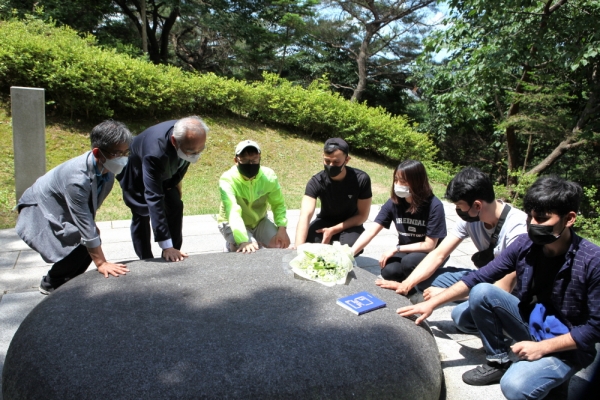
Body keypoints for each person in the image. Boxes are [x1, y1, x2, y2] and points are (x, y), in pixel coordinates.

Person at [398, 176, 600, 399]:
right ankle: (498, 361)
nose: (533, 224)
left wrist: (544, 348)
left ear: (569, 218)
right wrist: (433, 303)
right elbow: (481, 276)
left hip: (568, 344)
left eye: (542, 219)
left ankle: (554, 375)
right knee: (482, 291)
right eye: (530, 216)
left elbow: (595, 328)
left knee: (515, 386)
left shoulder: (592, 262)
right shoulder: (526, 245)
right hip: (532, 322)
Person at [378, 167, 527, 328]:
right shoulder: (470, 218)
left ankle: (507, 329)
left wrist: (441, 296)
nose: (458, 211)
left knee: (461, 318)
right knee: (423, 279)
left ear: (477, 205)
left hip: (512, 290)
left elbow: (501, 288)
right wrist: (406, 284)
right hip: (485, 276)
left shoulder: (517, 230)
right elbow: (439, 254)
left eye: (459, 206)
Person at [16, 120, 133, 294]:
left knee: (89, 237)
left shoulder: (105, 167)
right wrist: (101, 263)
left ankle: (68, 283)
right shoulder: (77, 179)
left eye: (126, 152)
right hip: (40, 206)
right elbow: (84, 221)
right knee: (84, 238)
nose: (123, 158)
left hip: (62, 203)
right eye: (117, 153)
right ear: (97, 152)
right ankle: (51, 283)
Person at [118, 116, 208, 262]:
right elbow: (154, 196)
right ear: (174, 141)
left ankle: (174, 251)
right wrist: (165, 245)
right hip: (136, 172)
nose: (196, 155)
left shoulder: (190, 136)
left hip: (165, 170)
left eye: (201, 150)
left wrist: (175, 184)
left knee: (175, 205)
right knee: (142, 212)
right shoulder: (155, 152)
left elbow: (183, 161)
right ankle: (146, 258)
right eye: (191, 151)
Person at [351, 160, 446, 292]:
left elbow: (430, 245)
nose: (398, 185)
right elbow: (372, 230)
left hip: (432, 253)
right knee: (389, 272)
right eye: (396, 180)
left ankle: (429, 280)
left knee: (408, 263)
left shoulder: (434, 206)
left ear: (417, 182)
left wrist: (396, 248)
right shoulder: (394, 202)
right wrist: (350, 254)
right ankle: (413, 277)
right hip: (408, 250)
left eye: (404, 181)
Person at [295, 138, 372, 248]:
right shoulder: (316, 181)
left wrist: (333, 230)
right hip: (325, 220)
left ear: (346, 160)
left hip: (351, 222)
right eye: (327, 161)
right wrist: (297, 249)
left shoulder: (361, 179)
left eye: (336, 162)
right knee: (309, 240)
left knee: (353, 244)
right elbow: (305, 215)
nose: (331, 165)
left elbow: (362, 215)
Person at [217, 140, 290, 253]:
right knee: (249, 250)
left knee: (280, 244)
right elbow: (232, 210)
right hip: (231, 222)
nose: (250, 164)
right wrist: (243, 240)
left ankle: (250, 238)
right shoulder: (227, 179)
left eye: (254, 160)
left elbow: (278, 203)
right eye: (245, 160)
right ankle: (231, 245)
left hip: (259, 221)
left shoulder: (269, 177)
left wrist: (282, 228)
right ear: (236, 160)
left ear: (259, 158)